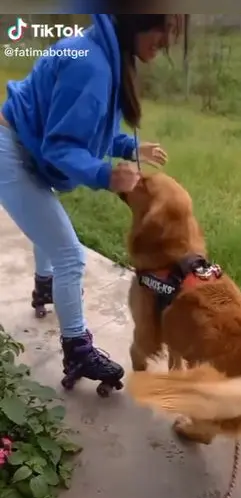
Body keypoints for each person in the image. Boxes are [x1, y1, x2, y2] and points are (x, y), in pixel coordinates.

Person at [0, 14, 177, 389]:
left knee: (49, 230)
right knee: (70, 254)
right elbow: (62, 144)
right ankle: (77, 351)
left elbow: (88, 126)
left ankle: (45, 286)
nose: (166, 43)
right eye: (164, 33)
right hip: (13, 153)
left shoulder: (102, 54)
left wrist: (130, 146)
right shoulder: (91, 64)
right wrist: (106, 175)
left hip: (24, 146)